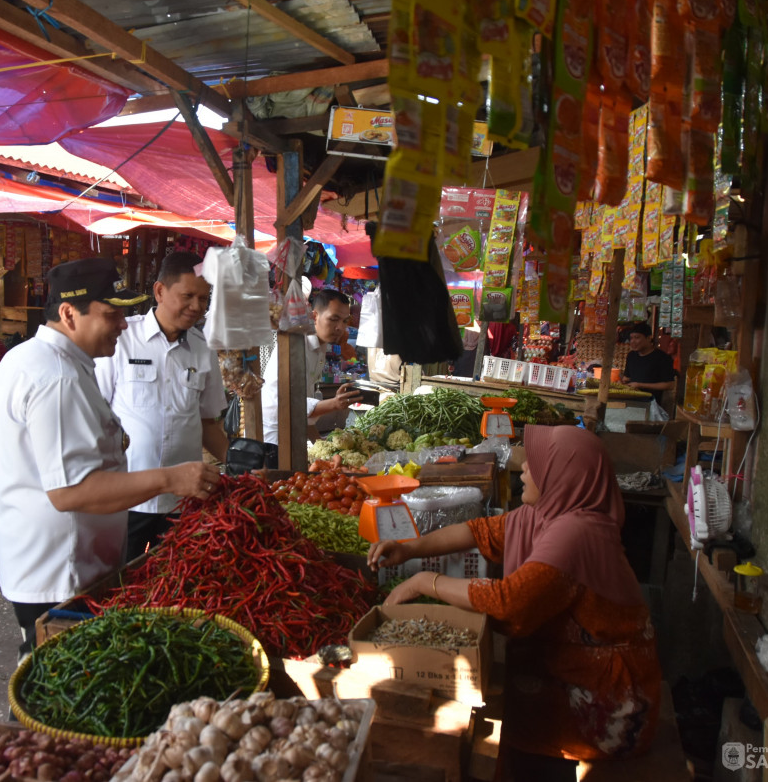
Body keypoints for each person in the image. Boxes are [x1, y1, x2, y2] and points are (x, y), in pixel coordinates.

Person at [369, 426, 662, 781]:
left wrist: (424, 582)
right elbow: (479, 532)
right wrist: (409, 548)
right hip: (565, 664)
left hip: (609, 698)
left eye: (534, 464)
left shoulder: (577, 533)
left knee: (485, 729)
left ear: (562, 476)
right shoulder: (547, 514)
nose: (522, 470)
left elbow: (506, 601)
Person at [0, 258, 219, 657]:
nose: (123, 325)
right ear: (68, 314)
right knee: (61, 679)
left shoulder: (44, 361)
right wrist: (170, 479)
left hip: (58, 562)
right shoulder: (56, 377)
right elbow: (71, 491)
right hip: (62, 570)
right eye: (111, 315)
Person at [94, 252, 229, 562]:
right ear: (159, 291)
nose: (197, 306)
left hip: (183, 501)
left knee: (175, 582)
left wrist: (236, 461)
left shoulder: (203, 350)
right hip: (127, 498)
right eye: (188, 296)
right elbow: (96, 411)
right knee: (119, 581)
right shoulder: (122, 339)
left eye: (204, 298)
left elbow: (209, 423)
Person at [260, 288, 360, 446]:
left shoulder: (320, 347)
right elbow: (291, 404)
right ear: (315, 316)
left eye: (344, 321)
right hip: (271, 437)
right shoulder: (296, 346)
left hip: (293, 432)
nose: (340, 327)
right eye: (334, 319)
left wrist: (319, 444)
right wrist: (334, 403)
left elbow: (304, 409)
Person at [622, 322, 677, 404]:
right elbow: (627, 378)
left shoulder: (662, 357)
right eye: (631, 338)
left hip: (651, 402)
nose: (632, 341)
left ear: (648, 338)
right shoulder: (631, 356)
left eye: (637, 337)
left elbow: (670, 385)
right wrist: (621, 382)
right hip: (631, 399)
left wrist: (640, 385)